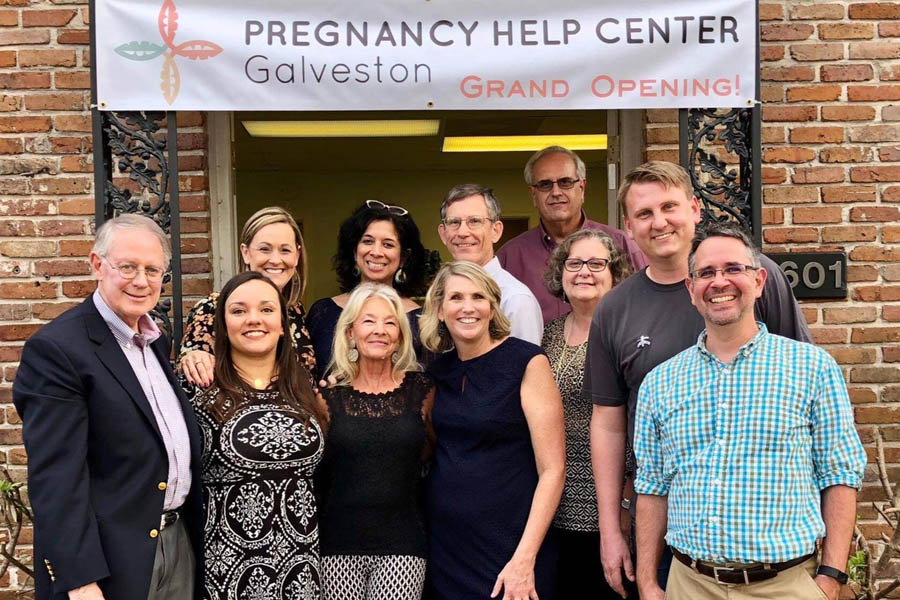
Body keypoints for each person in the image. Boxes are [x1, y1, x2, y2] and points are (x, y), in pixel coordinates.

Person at [586, 161, 813, 598]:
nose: (660, 222)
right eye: (644, 214)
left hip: (769, 531)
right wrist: (611, 528)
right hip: (669, 521)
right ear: (628, 228)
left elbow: (804, 384)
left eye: (669, 206)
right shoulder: (615, 309)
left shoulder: (751, 276)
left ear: (694, 208)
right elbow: (608, 421)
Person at [633, 222, 866, 600]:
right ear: (691, 290)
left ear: (758, 281)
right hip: (689, 584)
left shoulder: (811, 368)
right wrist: (647, 581)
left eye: (732, 269)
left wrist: (831, 577)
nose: (719, 282)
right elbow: (652, 487)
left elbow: (840, 474)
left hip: (786, 586)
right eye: (706, 273)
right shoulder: (661, 382)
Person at [13, 214, 203, 600]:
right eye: (128, 267)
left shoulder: (152, 341)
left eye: (153, 270)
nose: (141, 280)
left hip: (175, 543)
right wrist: (80, 581)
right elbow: (56, 479)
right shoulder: (58, 350)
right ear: (97, 264)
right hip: (111, 563)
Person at [420, 261, 565, 600]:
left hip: (512, 545)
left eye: (478, 297)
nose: (467, 307)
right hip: (448, 546)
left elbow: (553, 470)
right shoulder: (438, 372)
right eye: (456, 297)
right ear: (440, 310)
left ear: (492, 307)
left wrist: (525, 557)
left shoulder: (527, 361)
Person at [185, 271, 326, 600]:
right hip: (226, 571)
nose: (253, 320)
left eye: (266, 310)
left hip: (301, 569)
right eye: (238, 311)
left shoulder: (305, 388)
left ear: (281, 324)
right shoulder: (197, 387)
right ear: (222, 324)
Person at [317, 283, 435, 600]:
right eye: (368, 321)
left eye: (390, 322)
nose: (379, 331)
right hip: (338, 543)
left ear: (400, 335)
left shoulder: (422, 390)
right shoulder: (327, 396)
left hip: (402, 543)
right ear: (351, 333)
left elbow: (430, 451)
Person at [541, 229, 632, 600]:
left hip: (611, 501)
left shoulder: (625, 332)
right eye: (574, 263)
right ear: (560, 273)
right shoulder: (550, 334)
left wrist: (626, 503)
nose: (584, 272)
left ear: (615, 274)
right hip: (558, 498)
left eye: (597, 264)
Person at [497, 146, 647, 323]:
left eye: (565, 182)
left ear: (582, 188)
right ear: (533, 195)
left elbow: (648, 305)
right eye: (545, 184)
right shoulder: (510, 257)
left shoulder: (623, 244)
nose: (556, 192)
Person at [180, 206, 316, 387]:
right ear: (246, 252)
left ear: (297, 255)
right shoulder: (212, 308)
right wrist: (193, 356)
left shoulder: (296, 311)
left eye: (285, 250)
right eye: (265, 249)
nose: (276, 260)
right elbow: (192, 373)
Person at [308, 200, 433, 381]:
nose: (376, 252)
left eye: (388, 244)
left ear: (404, 257)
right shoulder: (323, 312)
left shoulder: (422, 321)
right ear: (354, 250)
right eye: (367, 241)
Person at [437, 183, 543, 345]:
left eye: (474, 221)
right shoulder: (440, 293)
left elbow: (525, 367)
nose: (463, 232)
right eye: (454, 222)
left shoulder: (516, 300)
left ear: (496, 231)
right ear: (443, 233)